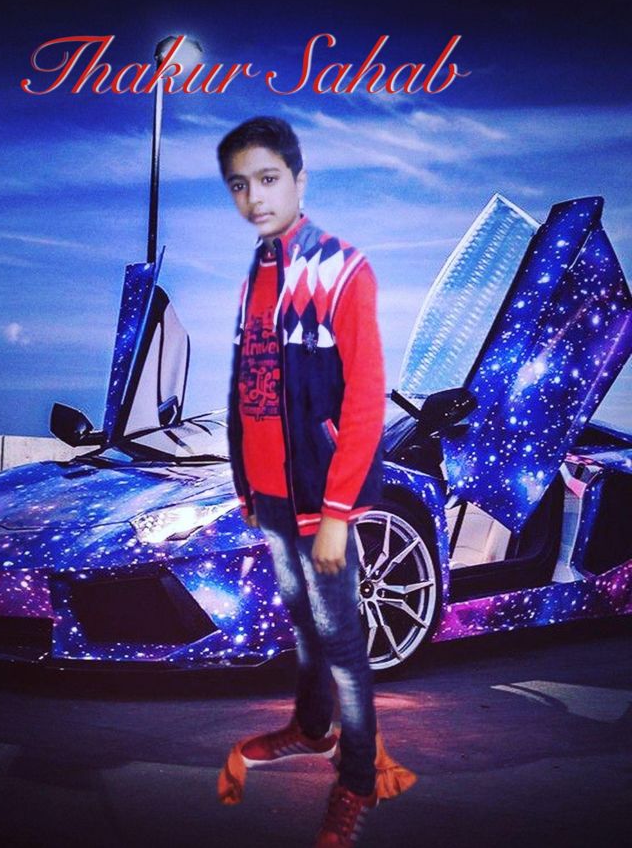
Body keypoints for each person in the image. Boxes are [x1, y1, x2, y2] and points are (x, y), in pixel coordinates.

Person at [218, 115, 386, 847]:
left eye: (267, 179)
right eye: (239, 185)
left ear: (298, 179)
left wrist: (340, 512)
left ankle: (358, 778)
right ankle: (313, 728)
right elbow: (246, 391)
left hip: (322, 503)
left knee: (343, 643)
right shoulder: (254, 276)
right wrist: (247, 490)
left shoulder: (342, 268)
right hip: (271, 497)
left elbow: (366, 397)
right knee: (305, 630)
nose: (254, 197)